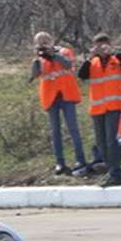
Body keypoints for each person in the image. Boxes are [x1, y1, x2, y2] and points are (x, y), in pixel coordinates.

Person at [77, 32, 121, 186]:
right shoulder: (92, 62)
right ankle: (113, 172)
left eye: (104, 44)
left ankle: (115, 172)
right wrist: (89, 58)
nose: (101, 48)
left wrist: (114, 52)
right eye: (98, 45)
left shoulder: (117, 60)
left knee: (111, 140)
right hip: (97, 108)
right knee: (101, 142)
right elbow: (81, 75)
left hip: (114, 106)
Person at [28, 31, 87, 176]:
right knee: (55, 132)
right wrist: (38, 59)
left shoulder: (65, 51)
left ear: (51, 41)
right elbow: (35, 75)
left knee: (73, 128)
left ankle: (80, 159)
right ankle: (60, 163)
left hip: (66, 94)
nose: (43, 44)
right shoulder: (39, 59)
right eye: (39, 42)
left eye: (45, 41)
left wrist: (53, 54)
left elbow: (68, 65)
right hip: (50, 97)